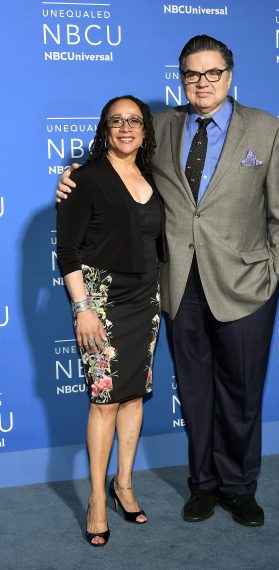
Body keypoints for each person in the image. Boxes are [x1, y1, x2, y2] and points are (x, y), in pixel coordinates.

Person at [57, 35, 279, 527]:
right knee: (194, 392)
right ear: (181, 78)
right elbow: (119, 167)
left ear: (229, 76)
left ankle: (239, 487)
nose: (202, 82)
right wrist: (72, 174)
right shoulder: (162, 126)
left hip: (247, 285)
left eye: (212, 73)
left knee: (242, 393)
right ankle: (204, 485)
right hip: (178, 285)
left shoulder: (267, 128)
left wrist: (275, 273)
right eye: (192, 73)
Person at [56, 95, 166, 546]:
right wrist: (82, 308)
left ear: (144, 129)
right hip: (101, 300)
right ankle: (98, 499)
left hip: (147, 298)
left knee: (134, 397)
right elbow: (68, 250)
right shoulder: (84, 179)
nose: (125, 128)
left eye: (134, 121)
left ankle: (124, 485)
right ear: (105, 127)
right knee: (104, 402)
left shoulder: (154, 176)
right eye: (116, 121)